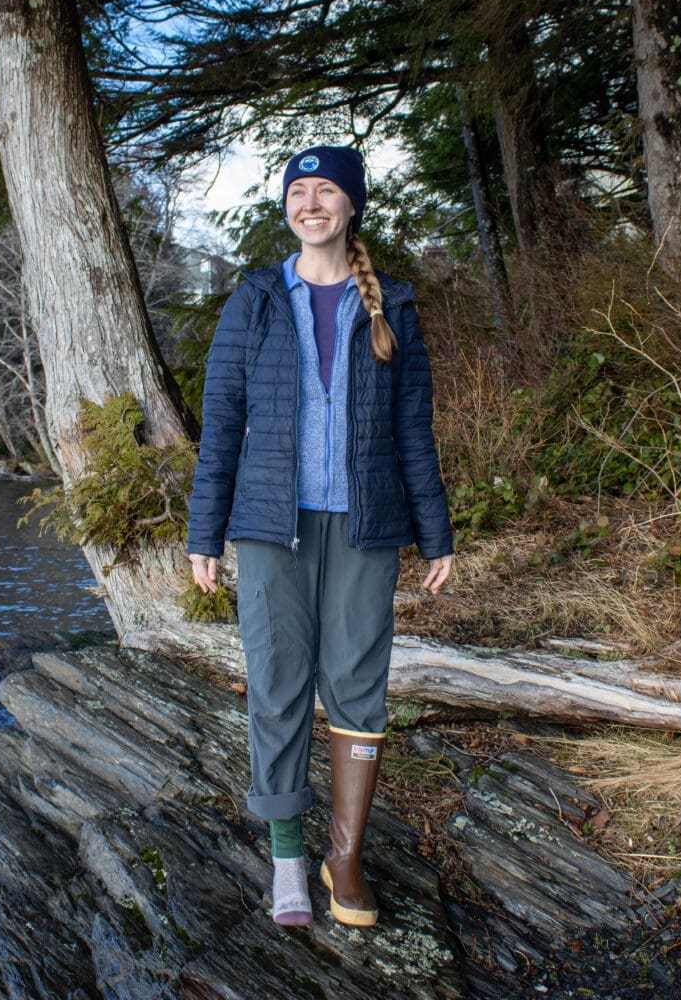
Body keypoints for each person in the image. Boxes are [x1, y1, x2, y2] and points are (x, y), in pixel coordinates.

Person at [187, 144, 453, 929]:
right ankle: (287, 864)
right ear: (287, 209)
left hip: (367, 527)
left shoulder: (393, 305)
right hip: (271, 526)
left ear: (350, 206)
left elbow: (414, 432)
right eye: (297, 192)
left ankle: (344, 857)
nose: (310, 204)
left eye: (325, 191)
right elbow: (223, 426)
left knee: (358, 685)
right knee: (276, 685)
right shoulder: (257, 300)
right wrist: (205, 532)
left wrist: (435, 533)